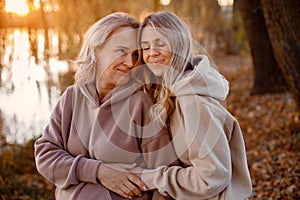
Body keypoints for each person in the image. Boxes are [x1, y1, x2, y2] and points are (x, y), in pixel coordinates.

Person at [34, 12, 178, 200]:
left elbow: (165, 179)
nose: (130, 63)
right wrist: (99, 171)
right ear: (96, 50)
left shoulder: (140, 104)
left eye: (135, 54)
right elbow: (46, 155)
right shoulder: (72, 97)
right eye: (121, 51)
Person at [130, 11, 253, 199]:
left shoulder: (193, 101)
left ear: (179, 45)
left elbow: (210, 177)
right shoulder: (171, 93)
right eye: (145, 47)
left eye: (160, 44)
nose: (152, 53)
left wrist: (152, 177)